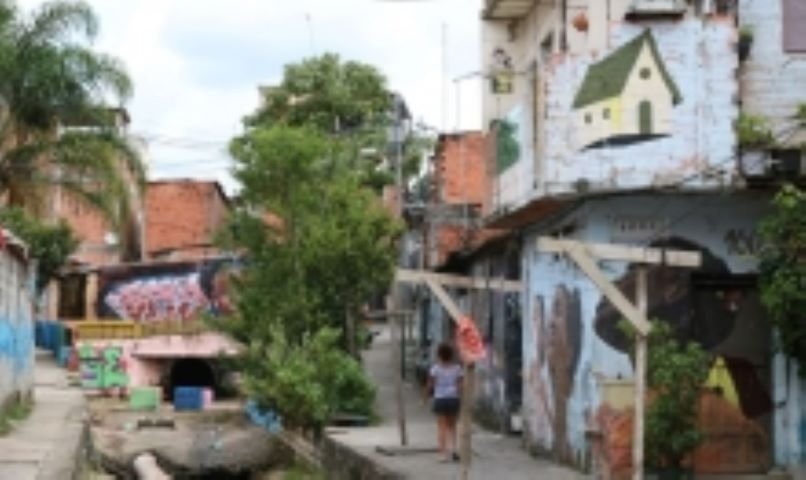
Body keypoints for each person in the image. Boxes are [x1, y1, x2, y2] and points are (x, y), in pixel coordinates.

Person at [424, 342, 463, 462]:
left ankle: (443, 454)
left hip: (440, 399)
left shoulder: (435, 369)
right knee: (453, 426)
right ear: (451, 355)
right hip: (453, 399)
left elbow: (430, 385)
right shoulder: (457, 368)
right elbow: (459, 386)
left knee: (442, 428)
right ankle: (454, 450)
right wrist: (460, 396)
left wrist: (426, 397)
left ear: (439, 355)